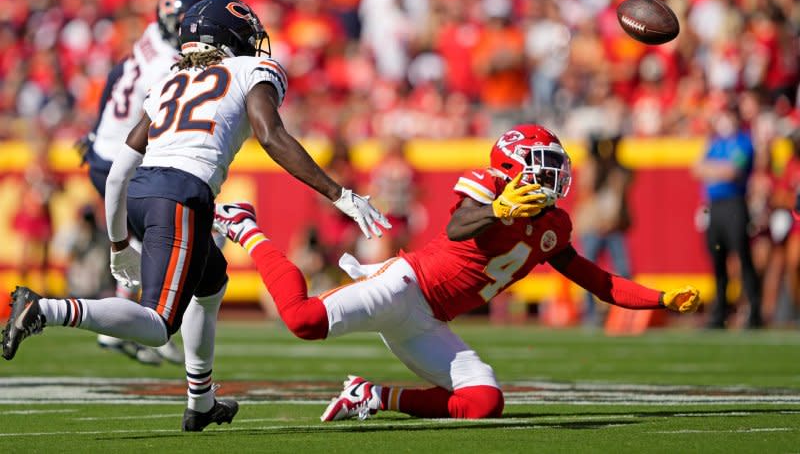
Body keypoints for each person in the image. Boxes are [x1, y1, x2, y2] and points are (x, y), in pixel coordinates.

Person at [2, 0, 391, 432]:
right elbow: (271, 134)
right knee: (157, 325)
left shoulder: (169, 81)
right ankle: (45, 310)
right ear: (230, 37)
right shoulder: (249, 70)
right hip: (183, 193)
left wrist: (117, 244)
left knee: (212, 281)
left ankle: (201, 401)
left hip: (142, 192)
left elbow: (117, 177)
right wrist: (339, 194)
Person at [213, 124, 700, 422]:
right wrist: (502, 210)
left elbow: (600, 280)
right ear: (511, 167)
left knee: (484, 401)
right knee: (303, 321)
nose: (554, 177)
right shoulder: (488, 187)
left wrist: (661, 300)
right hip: (403, 286)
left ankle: (373, 396)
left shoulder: (554, 224)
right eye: (542, 166)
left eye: (556, 166)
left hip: (429, 322)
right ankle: (248, 228)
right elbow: (459, 225)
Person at [77, 0, 206, 366]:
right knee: (162, 233)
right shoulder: (166, 64)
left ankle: (124, 327)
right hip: (121, 157)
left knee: (141, 238)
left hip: (105, 150)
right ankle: (150, 326)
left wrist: (96, 129)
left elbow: (117, 72)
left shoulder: (150, 38)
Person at [693, 101, 762, 329]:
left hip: (735, 204)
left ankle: (753, 310)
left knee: (742, 257)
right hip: (715, 206)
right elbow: (697, 168)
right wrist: (717, 169)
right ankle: (719, 311)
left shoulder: (744, 142)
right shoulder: (716, 143)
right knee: (717, 259)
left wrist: (713, 169)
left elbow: (733, 171)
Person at [573, 134, 634, 325]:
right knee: (588, 274)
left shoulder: (619, 170)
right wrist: (593, 156)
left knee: (624, 270)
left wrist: (614, 155)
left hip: (613, 227)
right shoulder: (592, 167)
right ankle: (590, 317)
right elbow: (588, 185)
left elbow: (628, 178)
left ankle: (625, 315)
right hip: (593, 226)